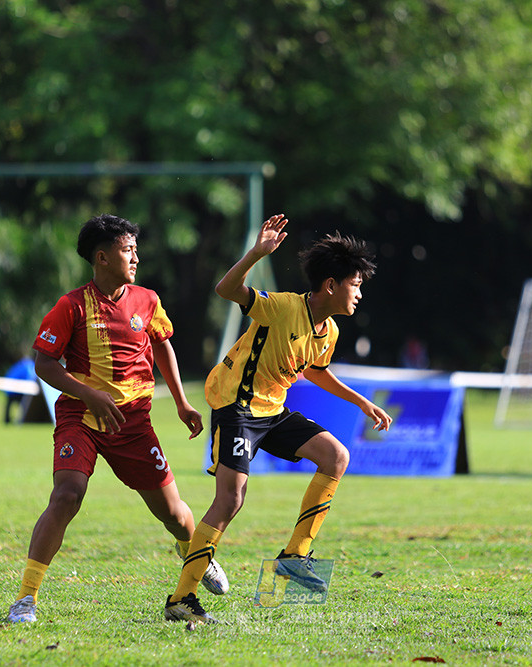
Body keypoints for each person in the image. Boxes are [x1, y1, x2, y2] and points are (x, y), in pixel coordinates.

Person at [163, 214, 393, 624]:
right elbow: (226, 289)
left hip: (272, 410)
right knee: (230, 500)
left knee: (336, 457)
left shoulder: (329, 331)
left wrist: (362, 402)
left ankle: (294, 557)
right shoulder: (282, 307)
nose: (359, 294)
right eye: (355, 285)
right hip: (236, 404)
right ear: (330, 285)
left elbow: (317, 371)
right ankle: (182, 599)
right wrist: (256, 253)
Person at [6, 214, 228, 623]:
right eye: (128, 250)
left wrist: (181, 402)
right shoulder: (70, 306)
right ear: (103, 257)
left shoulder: (147, 300)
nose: (135, 257)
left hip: (134, 424)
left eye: (136, 250)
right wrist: (90, 394)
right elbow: (44, 363)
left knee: (176, 515)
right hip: (81, 417)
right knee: (67, 495)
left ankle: (192, 553)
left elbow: (162, 347)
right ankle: (25, 600)